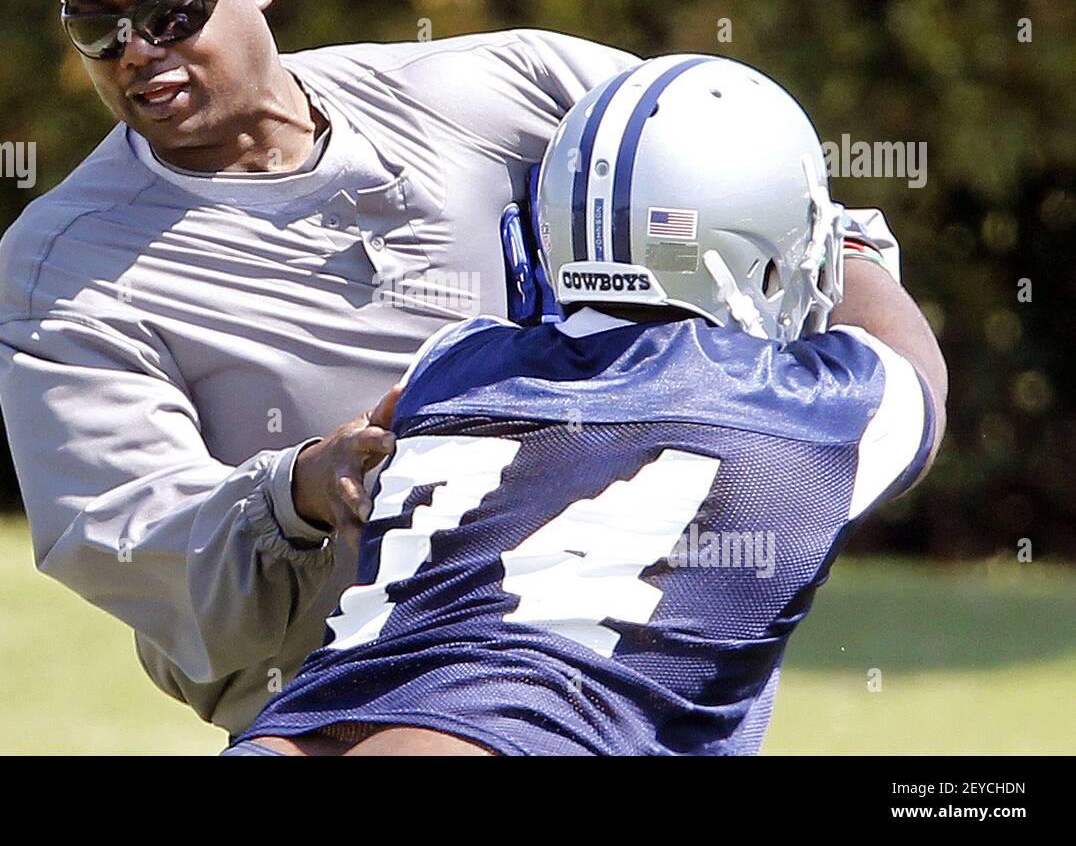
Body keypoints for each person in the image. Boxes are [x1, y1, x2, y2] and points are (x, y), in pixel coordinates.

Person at [0, 0, 645, 735]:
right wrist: (299, 491)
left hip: (602, 664)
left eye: (169, 12)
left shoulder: (485, 93)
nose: (136, 53)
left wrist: (884, 362)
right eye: (96, 28)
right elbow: (133, 542)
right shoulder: (63, 267)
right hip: (348, 706)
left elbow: (742, 162)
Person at [230, 54, 948, 755]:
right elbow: (917, 373)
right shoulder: (808, 409)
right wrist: (853, 246)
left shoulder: (452, 364)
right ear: (761, 246)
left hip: (293, 730)